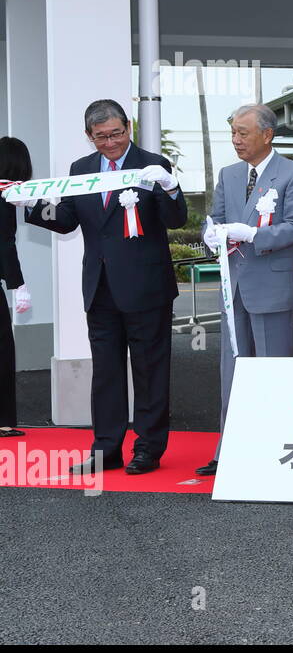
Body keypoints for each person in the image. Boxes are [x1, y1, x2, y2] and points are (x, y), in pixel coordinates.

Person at [25, 100, 187, 474]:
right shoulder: (80, 170)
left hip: (147, 287)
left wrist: (171, 187)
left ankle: (148, 448)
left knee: (150, 371)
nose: (110, 143)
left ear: (128, 127)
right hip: (99, 288)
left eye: (116, 133)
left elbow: (175, 219)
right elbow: (66, 221)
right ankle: (106, 448)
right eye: (101, 137)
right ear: (89, 136)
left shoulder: (153, 164)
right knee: (107, 373)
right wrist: (30, 206)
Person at [195, 104, 293, 477]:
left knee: (273, 371)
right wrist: (209, 234)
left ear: (266, 135)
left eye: (243, 133)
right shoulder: (229, 174)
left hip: (272, 284)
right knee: (232, 369)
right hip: (234, 287)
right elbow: (215, 216)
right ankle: (227, 447)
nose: (236, 140)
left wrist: (255, 235)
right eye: (233, 133)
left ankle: (276, 447)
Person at [0, 137, 35, 437]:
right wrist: (18, 284)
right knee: (2, 348)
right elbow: (4, 242)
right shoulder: (4, 192)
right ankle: (3, 420)